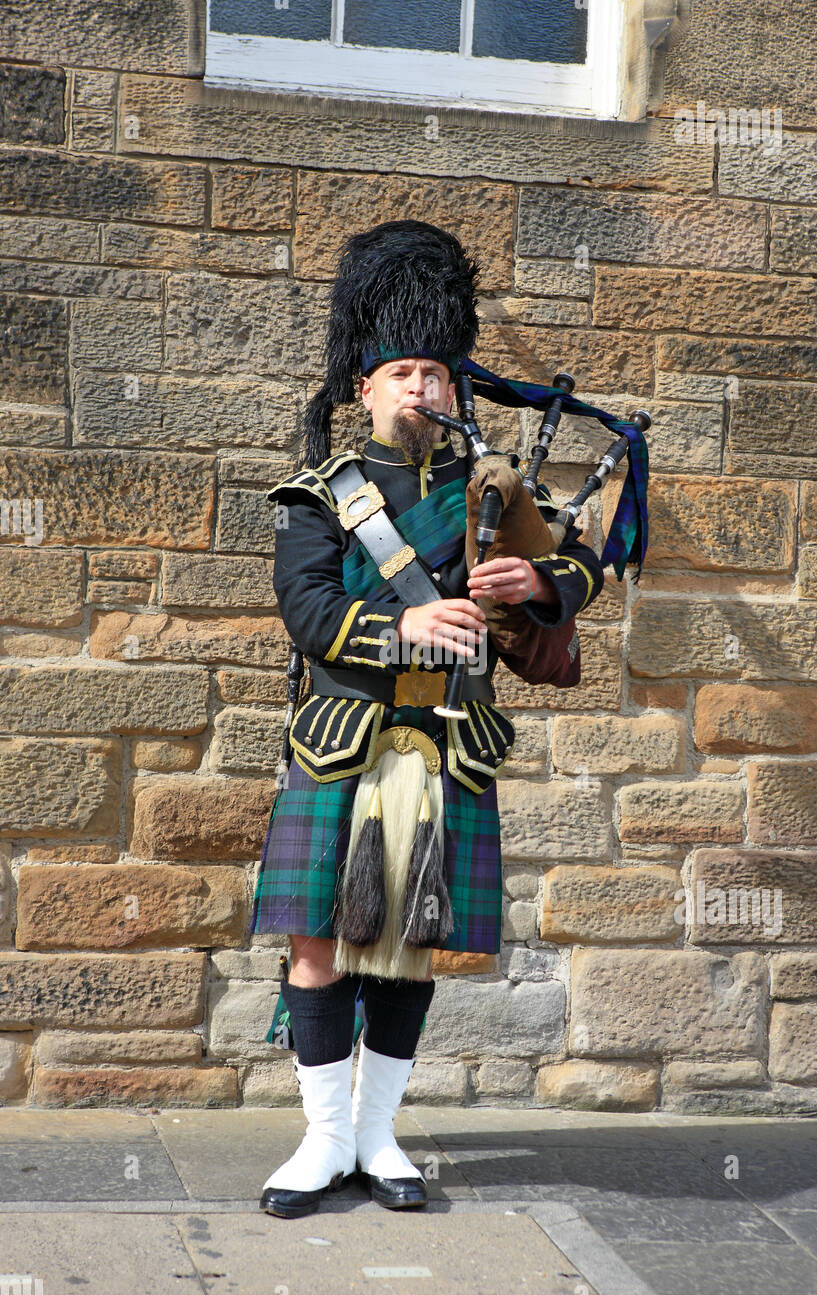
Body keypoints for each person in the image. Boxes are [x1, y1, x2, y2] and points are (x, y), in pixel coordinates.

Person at [251, 221, 606, 1219]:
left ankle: (376, 1136)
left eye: (434, 372)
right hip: (343, 742)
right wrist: (405, 621)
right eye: (401, 371)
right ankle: (321, 1140)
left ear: (452, 386)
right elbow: (308, 611)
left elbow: (581, 567)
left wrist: (535, 575)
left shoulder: (489, 492)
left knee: (413, 944)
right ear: (362, 388)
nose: (421, 388)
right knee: (317, 944)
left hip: (449, 745)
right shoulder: (313, 497)